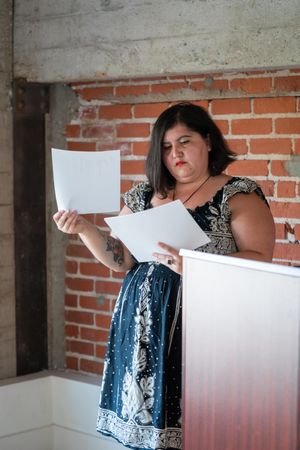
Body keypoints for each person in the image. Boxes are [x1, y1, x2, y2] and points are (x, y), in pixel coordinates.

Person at [53, 102, 275, 450]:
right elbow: (122, 259)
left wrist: (194, 266)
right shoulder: (142, 195)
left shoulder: (237, 193)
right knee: (147, 431)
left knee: (199, 426)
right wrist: (83, 229)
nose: (176, 154)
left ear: (208, 141)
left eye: (185, 142)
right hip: (142, 329)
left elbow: (262, 259)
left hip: (205, 327)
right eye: (167, 147)